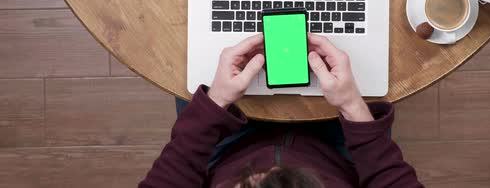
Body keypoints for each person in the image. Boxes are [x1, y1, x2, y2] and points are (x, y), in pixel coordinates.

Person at [139, 33, 423, 188]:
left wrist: (216, 102)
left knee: (182, 59)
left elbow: (170, 175)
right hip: (336, 151)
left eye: (249, 184)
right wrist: (352, 105)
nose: (273, 167)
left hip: (225, 147)